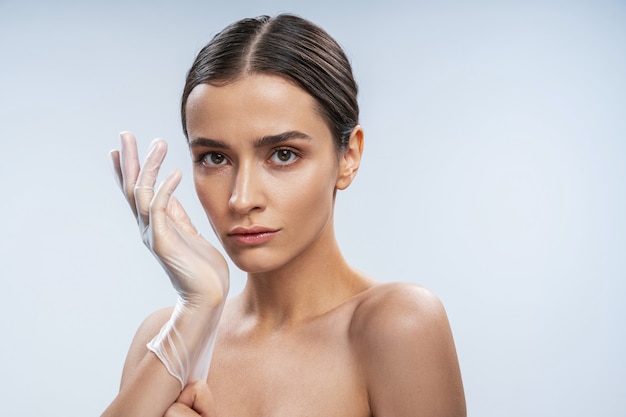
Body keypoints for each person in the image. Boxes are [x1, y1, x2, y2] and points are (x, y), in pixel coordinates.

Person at [103, 13, 466, 417]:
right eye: (215, 158)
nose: (241, 199)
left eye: (283, 154)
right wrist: (200, 306)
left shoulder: (397, 325)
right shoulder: (164, 338)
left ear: (349, 156)